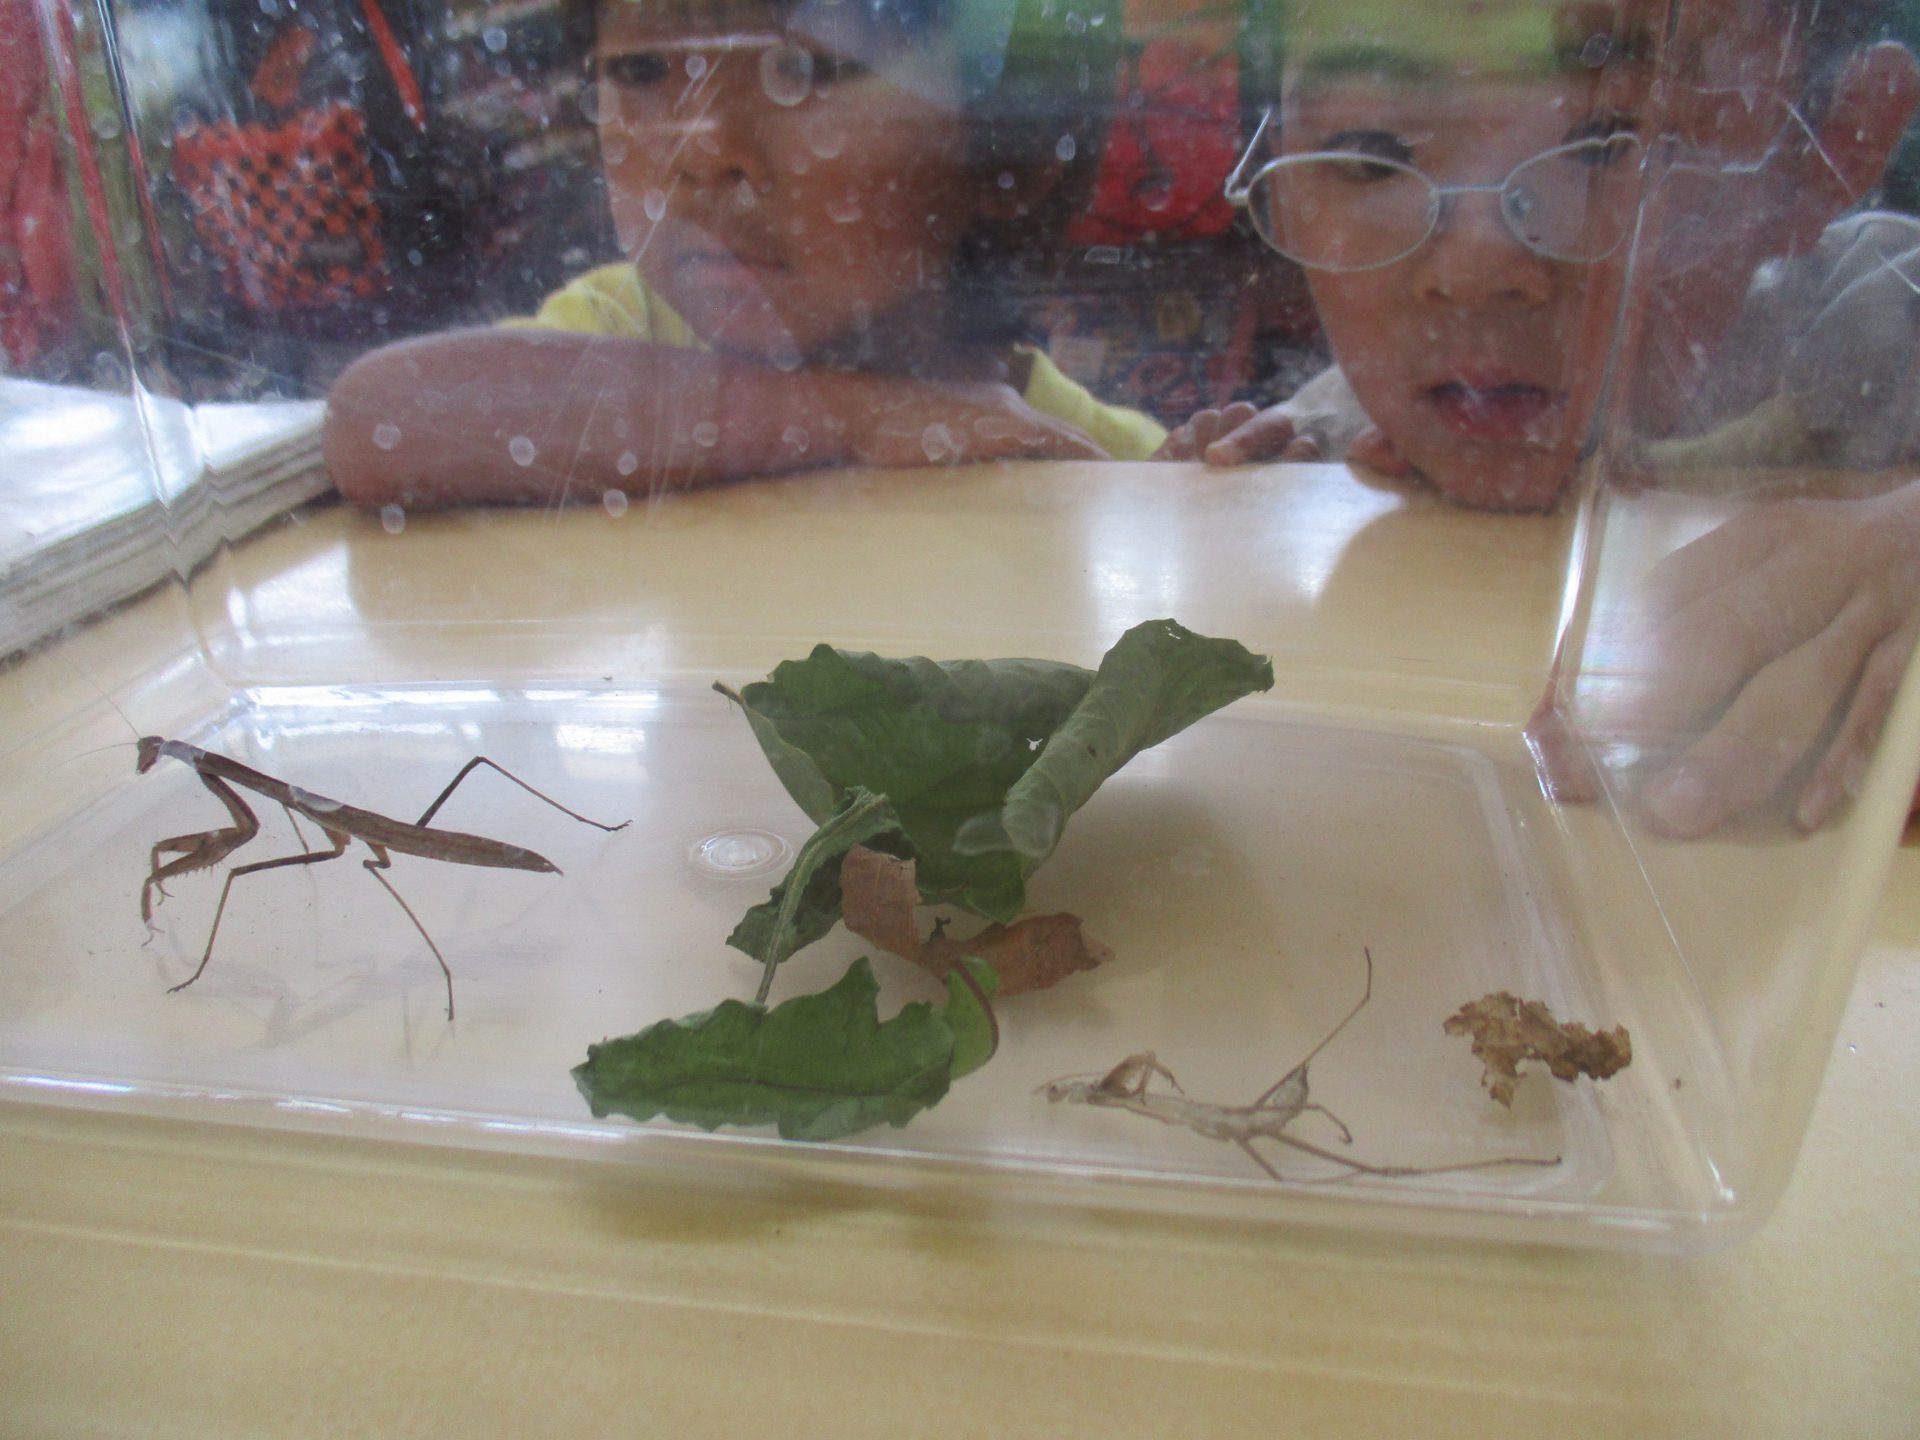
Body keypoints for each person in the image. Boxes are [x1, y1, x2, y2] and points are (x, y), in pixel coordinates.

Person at [323, 0, 1166, 507]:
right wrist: (868, 415)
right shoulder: (615, 328)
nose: (707, 147)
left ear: (1009, 156)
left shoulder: (1083, 454)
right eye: (645, 69)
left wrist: (1246, 462)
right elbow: (379, 421)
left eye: (807, 69)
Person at [1163, 0, 1920, 513]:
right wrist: (1219, 488)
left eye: (1605, 144)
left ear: (1832, 155)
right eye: (1370, 154)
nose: (1474, 270)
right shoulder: (1335, 433)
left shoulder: (1887, 331)